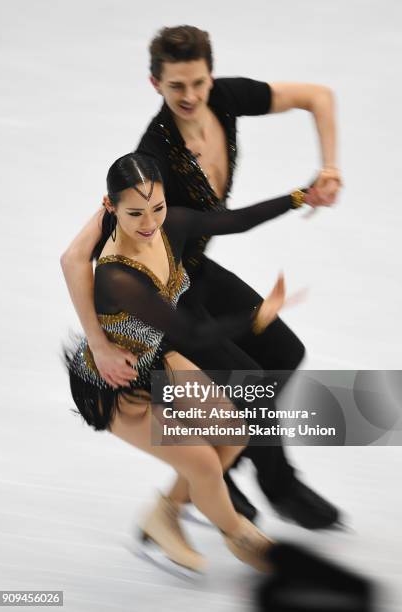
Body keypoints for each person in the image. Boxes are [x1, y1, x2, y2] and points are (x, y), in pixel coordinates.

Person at [60, 25, 343, 529]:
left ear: (210, 76)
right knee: (248, 381)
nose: (190, 97)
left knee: (284, 352)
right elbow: (74, 257)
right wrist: (100, 345)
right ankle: (241, 479)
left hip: (195, 271)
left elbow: (317, 96)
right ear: (156, 85)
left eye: (198, 83)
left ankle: (236, 467)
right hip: (159, 295)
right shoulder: (153, 155)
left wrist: (325, 175)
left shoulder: (225, 96)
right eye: (176, 87)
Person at [62, 153, 325, 575]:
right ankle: (241, 536)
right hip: (112, 384)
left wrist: (299, 196)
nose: (149, 222)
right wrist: (257, 317)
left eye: (157, 207)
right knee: (202, 461)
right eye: (134, 212)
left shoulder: (171, 226)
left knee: (234, 432)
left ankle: (164, 514)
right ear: (109, 207)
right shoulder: (117, 277)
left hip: (156, 359)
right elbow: (194, 335)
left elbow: (235, 221)